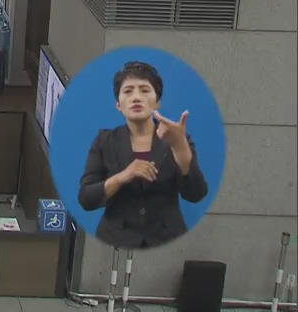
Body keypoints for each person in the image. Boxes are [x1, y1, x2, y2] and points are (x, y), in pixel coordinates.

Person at [78, 62, 209, 249]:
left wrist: (180, 147)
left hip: (167, 241)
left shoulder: (177, 138)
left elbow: (195, 194)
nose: (136, 97)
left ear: (157, 102)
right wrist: (124, 176)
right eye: (128, 91)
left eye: (145, 90)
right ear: (118, 105)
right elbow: (86, 199)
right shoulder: (104, 141)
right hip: (114, 242)